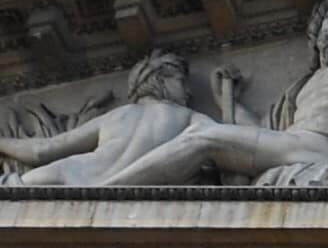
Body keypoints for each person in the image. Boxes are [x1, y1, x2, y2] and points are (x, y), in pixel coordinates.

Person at [96, 0, 328, 187]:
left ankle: (108, 188)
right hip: (289, 146)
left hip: (317, 150)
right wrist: (229, 101)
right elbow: (261, 135)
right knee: (205, 140)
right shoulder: (302, 88)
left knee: (202, 137)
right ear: (315, 35)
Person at [0, 53, 199, 186]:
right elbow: (226, 141)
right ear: (159, 79)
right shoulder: (190, 117)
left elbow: (41, 151)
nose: (189, 91)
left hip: (64, 176)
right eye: (181, 81)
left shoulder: (117, 116)